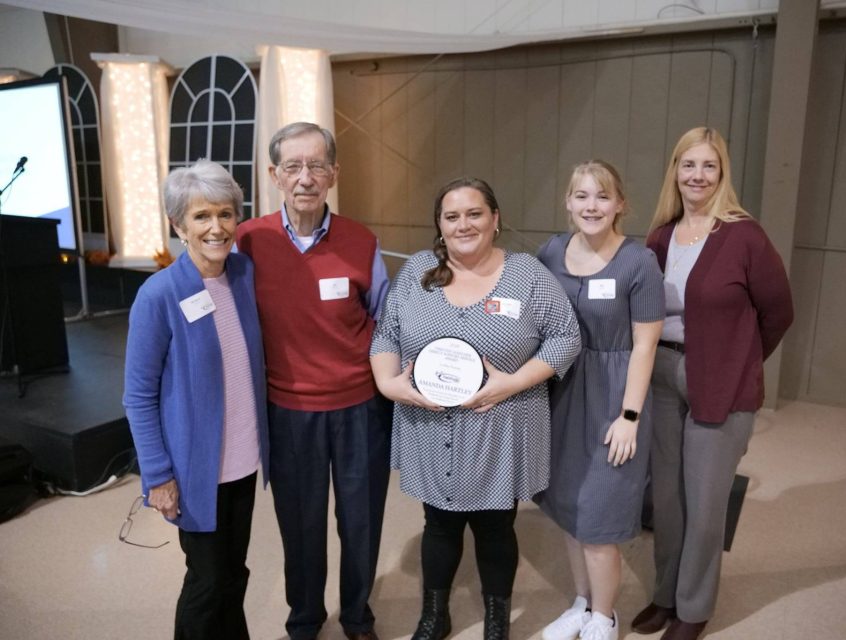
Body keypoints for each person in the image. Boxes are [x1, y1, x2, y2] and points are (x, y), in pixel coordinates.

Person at [370, 177, 581, 640]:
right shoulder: (419, 271)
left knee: (495, 526)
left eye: (474, 213)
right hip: (430, 424)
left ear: (495, 219)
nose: (463, 224)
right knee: (438, 524)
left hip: (501, 426)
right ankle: (434, 614)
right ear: (439, 226)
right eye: (451, 216)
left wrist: (512, 383)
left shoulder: (526, 274)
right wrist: (388, 384)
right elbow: (386, 335)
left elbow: (567, 336)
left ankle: (496, 619)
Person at [629, 127, 793, 640]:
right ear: (674, 171)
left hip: (721, 383)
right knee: (668, 502)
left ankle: (693, 609)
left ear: (722, 174)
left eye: (709, 166)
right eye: (688, 165)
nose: (697, 176)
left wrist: (740, 361)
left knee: (704, 507)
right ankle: (665, 594)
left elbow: (779, 312)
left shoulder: (744, 235)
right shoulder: (660, 236)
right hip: (661, 377)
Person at [234, 122, 391, 640]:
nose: (306, 177)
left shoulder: (361, 241)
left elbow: (386, 324)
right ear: (275, 175)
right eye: (294, 166)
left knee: (361, 521)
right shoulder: (248, 242)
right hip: (288, 411)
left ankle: (357, 615)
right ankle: (304, 617)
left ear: (334, 174)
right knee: (299, 526)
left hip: (359, 408)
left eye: (317, 165)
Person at [123, 160, 269, 640]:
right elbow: (139, 396)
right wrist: (158, 475)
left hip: (243, 461)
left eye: (226, 214)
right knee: (207, 581)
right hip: (194, 470)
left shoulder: (243, 273)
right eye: (202, 216)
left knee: (235, 572)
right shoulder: (159, 294)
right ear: (178, 224)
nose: (216, 227)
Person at [536, 160, 664, 640]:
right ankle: (582, 603)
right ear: (568, 202)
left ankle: (604, 618)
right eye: (582, 196)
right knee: (569, 510)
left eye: (602, 196)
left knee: (600, 518)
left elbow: (646, 345)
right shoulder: (551, 251)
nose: (592, 206)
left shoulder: (638, 263)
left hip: (614, 396)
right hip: (561, 393)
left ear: (620, 205)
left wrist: (629, 416)